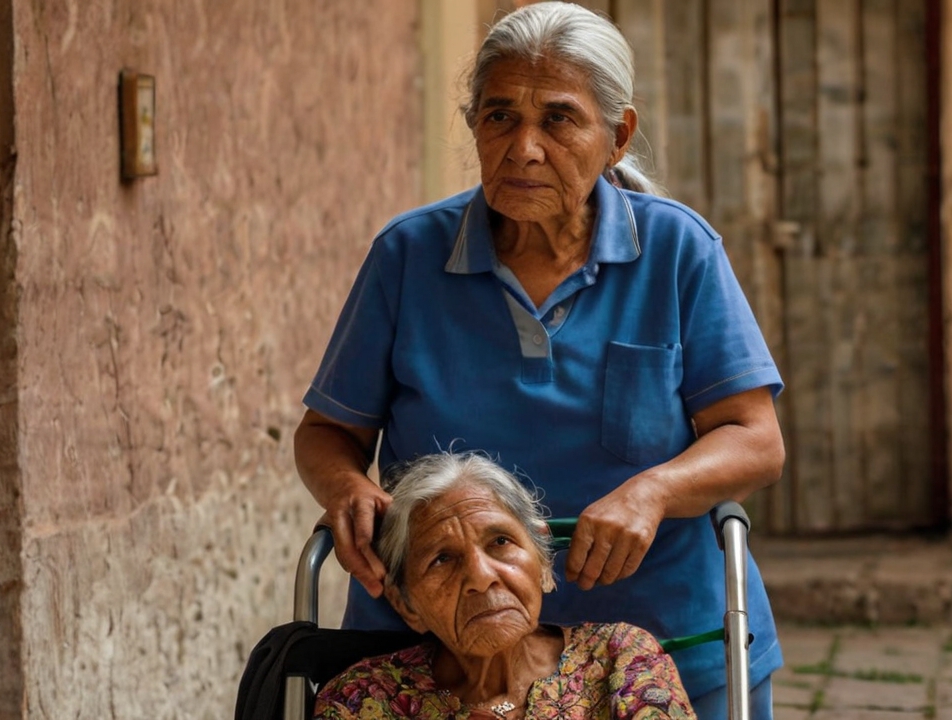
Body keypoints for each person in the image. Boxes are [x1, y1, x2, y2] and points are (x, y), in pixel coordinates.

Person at [294, 3, 786, 718]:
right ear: (474, 127)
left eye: (557, 119)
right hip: (442, 657)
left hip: (663, 648)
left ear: (617, 136)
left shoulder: (678, 251)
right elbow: (326, 434)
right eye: (499, 118)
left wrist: (652, 492)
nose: (523, 148)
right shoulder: (408, 257)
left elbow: (755, 439)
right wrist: (343, 488)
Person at [314, 452, 695, 719]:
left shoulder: (620, 658)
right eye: (442, 559)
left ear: (544, 564)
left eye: (500, 542)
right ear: (406, 604)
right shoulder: (364, 698)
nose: (481, 576)